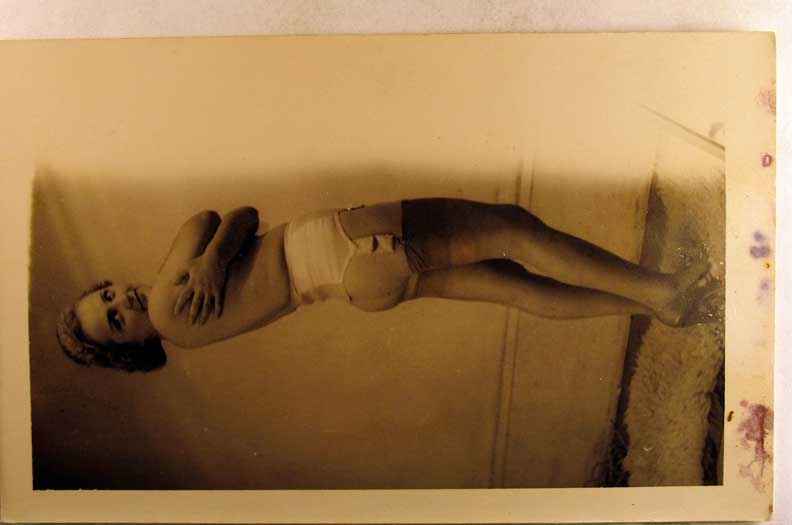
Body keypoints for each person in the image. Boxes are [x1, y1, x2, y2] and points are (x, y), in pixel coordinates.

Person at [56, 198, 722, 372]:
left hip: (356, 281)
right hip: (346, 246)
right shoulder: (171, 303)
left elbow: (240, 222)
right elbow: (214, 218)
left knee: (511, 284)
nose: (123, 302)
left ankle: (650, 306)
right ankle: (661, 290)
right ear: (130, 346)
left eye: (107, 294)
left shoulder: (184, 326)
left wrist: (213, 259)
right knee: (516, 231)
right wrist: (207, 260)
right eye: (113, 321)